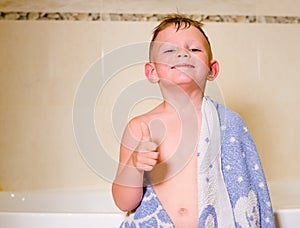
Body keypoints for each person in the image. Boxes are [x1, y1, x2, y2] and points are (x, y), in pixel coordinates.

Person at [112, 14, 275, 227]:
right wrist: (134, 165)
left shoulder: (228, 124)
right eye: (169, 50)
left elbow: (247, 187)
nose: (182, 54)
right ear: (152, 72)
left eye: (194, 49)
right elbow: (124, 202)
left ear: (212, 69)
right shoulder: (141, 127)